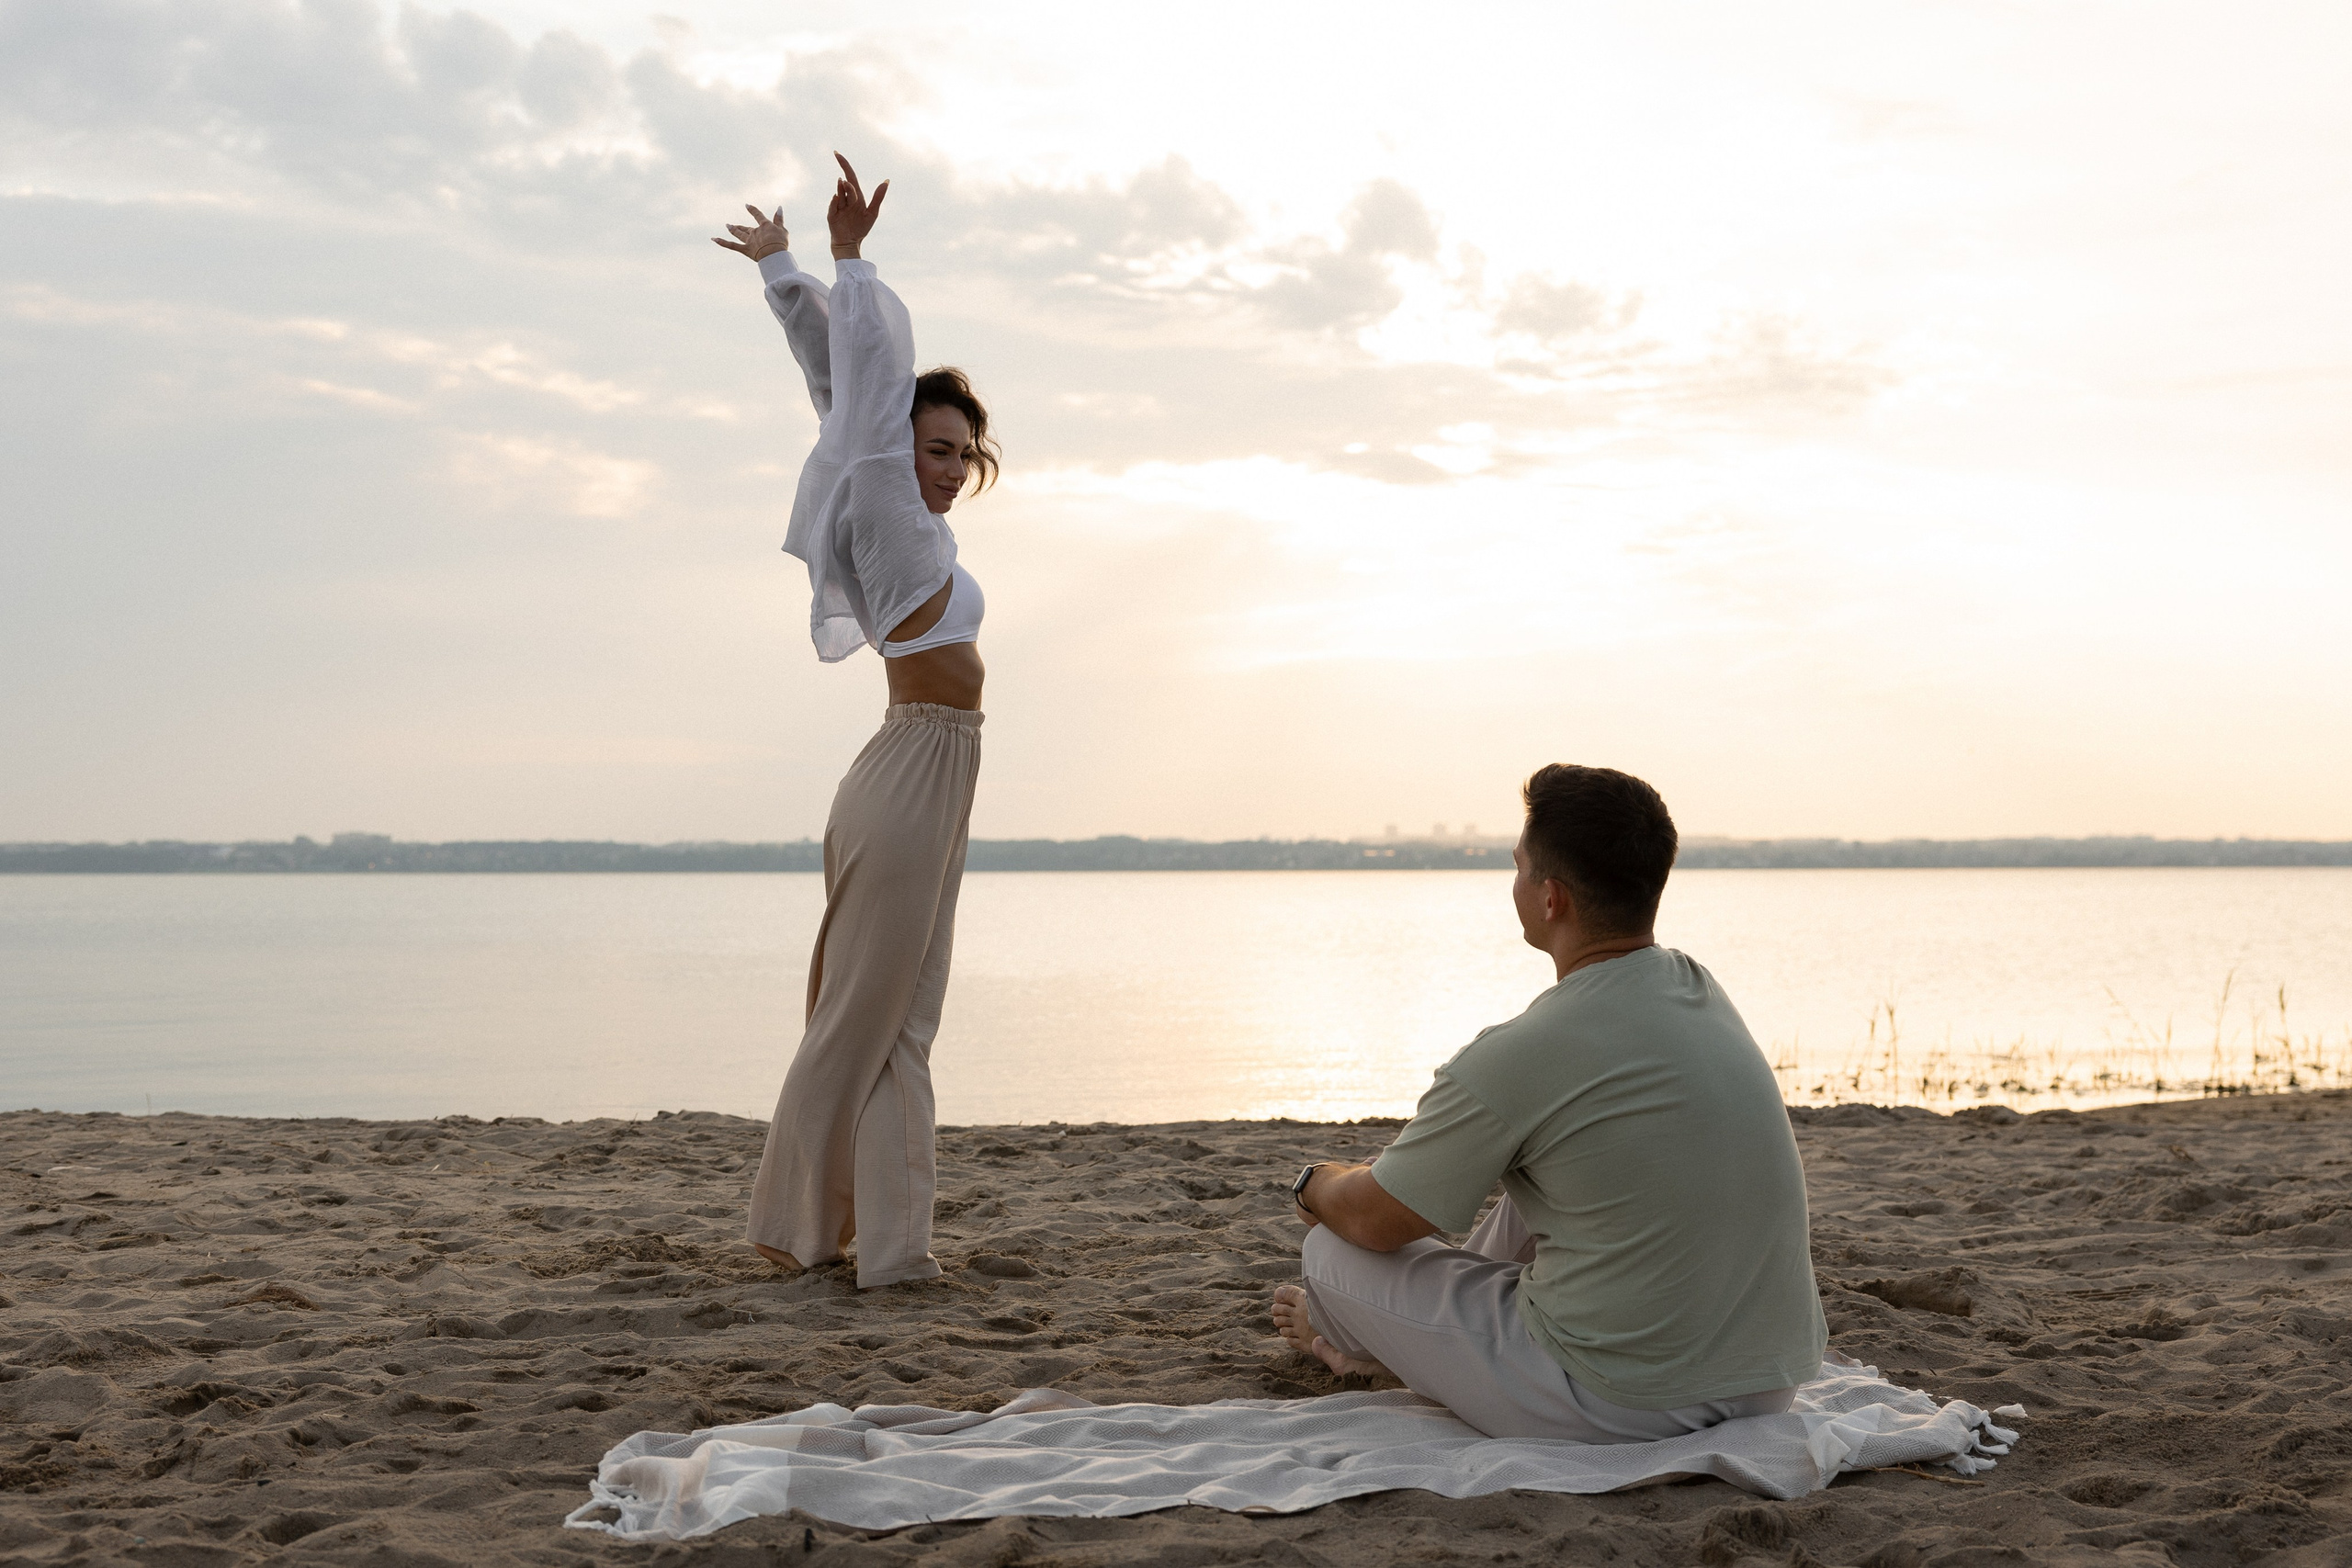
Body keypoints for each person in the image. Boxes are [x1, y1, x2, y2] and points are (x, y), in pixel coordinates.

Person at [1270, 764, 1827, 1440]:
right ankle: (1392, 1344)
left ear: (1550, 897)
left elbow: (1376, 1222)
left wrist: (1314, 1184)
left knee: (1332, 1253)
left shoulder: (1523, 1051)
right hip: (1769, 1382)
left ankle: (1356, 1340)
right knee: (1552, 1178)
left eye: (1518, 867)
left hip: (1624, 1399)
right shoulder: (1698, 989)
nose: (1515, 883)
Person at [711, 155, 999, 1288]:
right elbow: (861, 393)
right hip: (910, 776)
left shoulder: (921, 527)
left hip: (935, 773)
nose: (949, 469)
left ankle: (883, 1247)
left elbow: (840, 390)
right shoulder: (882, 492)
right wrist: (845, 258)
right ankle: (802, 1232)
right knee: (865, 1021)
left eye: (962, 455)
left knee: (898, 1019)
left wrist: (785, 273)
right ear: (899, 447)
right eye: (934, 448)